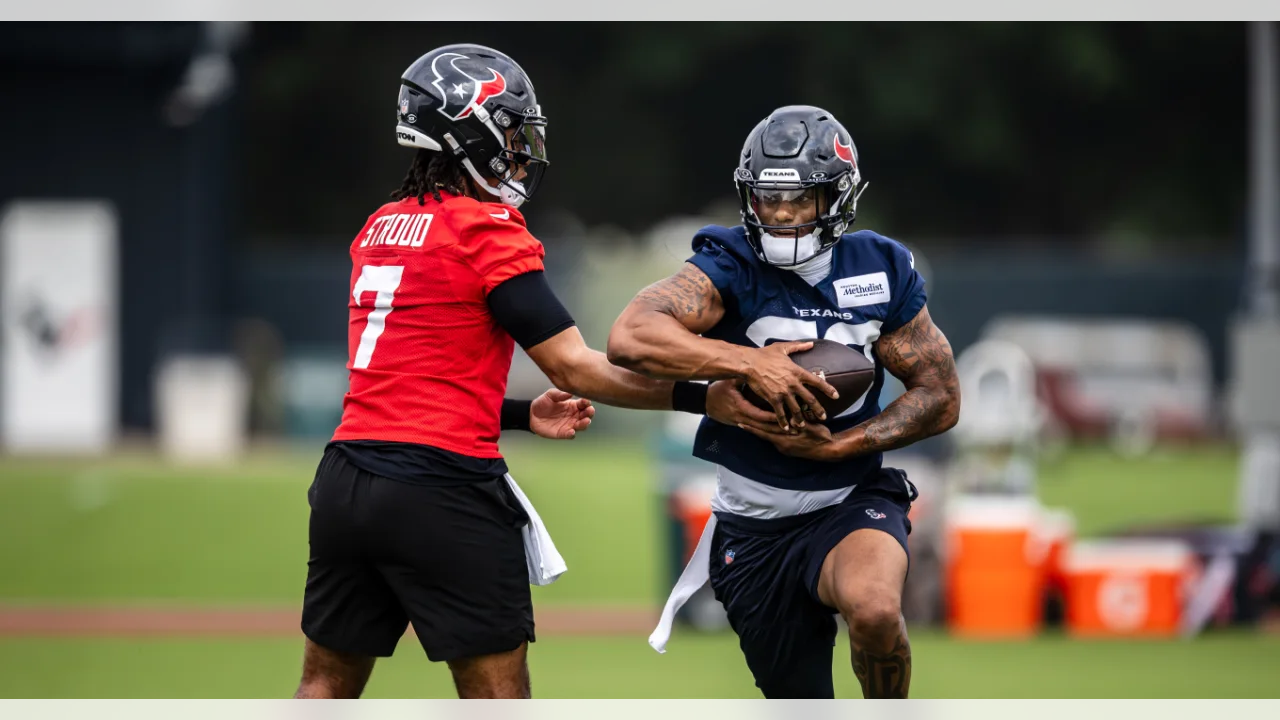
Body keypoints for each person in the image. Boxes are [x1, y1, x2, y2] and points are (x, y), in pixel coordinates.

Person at [292, 43, 777, 701]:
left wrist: (521, 413)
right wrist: (703, 398)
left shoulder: (380, 227)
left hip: (346, 483)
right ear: (468, 129)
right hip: (440, 490)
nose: (522, 151)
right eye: (512, 133)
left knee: (323, 686)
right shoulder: (488, 230)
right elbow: (576, 366)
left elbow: (404, 390)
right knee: (496, 696)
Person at [608, 105, 962, 699]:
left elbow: (941, 396)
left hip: (849, 498)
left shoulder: (880, 267)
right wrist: (750, 363)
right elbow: (630, 336)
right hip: (754, 524)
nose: (780, 215)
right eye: (768, 199)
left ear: (838, 195)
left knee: (875, 612)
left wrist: (840, 447)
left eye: (799, 198)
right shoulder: (729, 263)